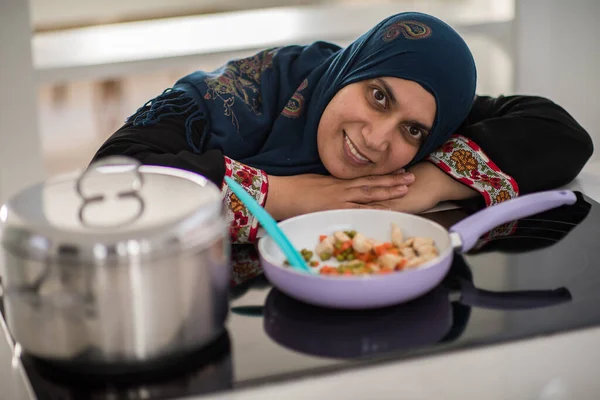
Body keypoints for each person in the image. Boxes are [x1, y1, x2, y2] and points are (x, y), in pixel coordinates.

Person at [91, 12, 593, 246]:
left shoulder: (432, 106)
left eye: (413, 132)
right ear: (353, 69)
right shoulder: (241, 95)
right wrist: (287, 196)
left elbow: (562, 134)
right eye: (378, 97)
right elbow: (110, 179)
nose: (377, 139)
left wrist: (425, 186)